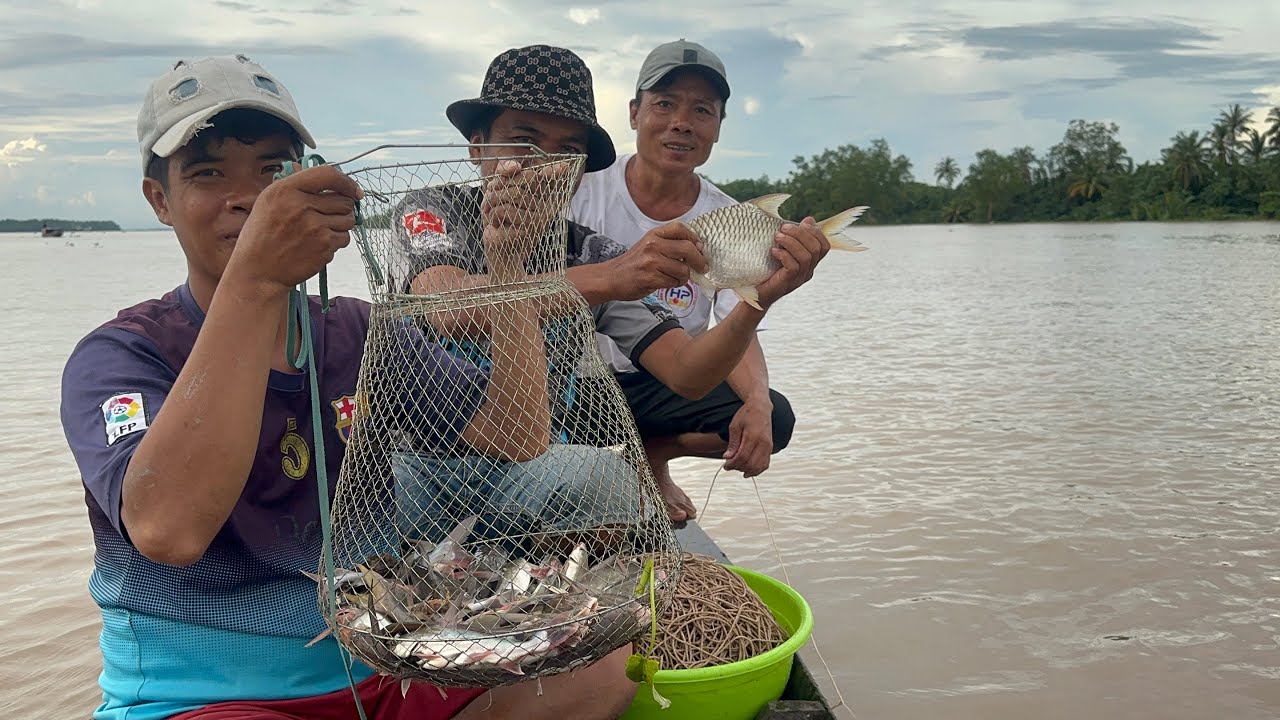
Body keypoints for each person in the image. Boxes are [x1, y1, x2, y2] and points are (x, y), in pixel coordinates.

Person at [58, 53, 636, 720]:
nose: (249, 198)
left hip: (381, 669)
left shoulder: (355, 331)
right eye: (209, 173)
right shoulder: (121, 355)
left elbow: (517, 436)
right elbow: (169, 530)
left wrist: (508, 272)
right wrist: (257, 279)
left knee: (606, 672)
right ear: (160, 200)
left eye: (273, 170)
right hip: (203, 696)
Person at [393, 44, 829, 527]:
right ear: (478, 147)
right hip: (418, 460)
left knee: (612, 486)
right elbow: (446, 306)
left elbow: (687, 374)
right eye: (524, 139)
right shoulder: (432, 209)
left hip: (535, 461)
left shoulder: (589, 250)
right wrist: (611, 278)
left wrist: (758, 301)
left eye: (567, 151)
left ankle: (641, 464)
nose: (546, 164)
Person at [568, 39, 795, 524]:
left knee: (773, 417)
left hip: (668, 381)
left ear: (718, 128)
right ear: (634, 113)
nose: (682, 123)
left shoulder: (732, 218)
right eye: (665, 104)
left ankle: (654, 455)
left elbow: (739, 323)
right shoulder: (581, 192)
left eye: (702, 110)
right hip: (578, 386)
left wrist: (756, 400)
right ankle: (607, 470)